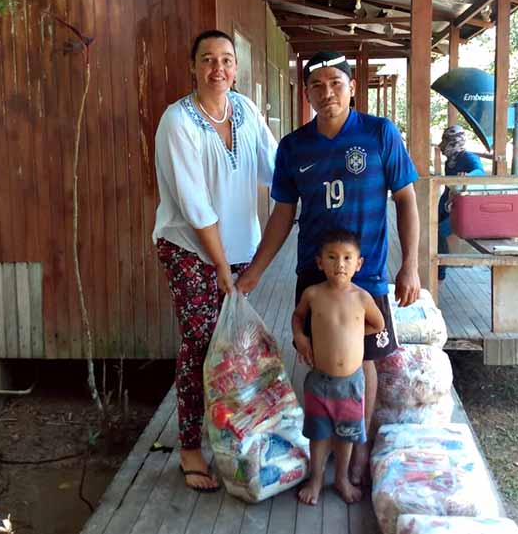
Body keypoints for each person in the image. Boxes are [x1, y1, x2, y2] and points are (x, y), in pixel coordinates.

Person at [236, 50, 421, 486]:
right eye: (316, 85)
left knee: (366, 360)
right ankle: (322, 446)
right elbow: (283, 214)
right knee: (319, 359)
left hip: (367, 271)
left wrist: (409, 265)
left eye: (336, 82)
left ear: (352, 86)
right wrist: (257, 271)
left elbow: (407, 199)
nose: (327, 92)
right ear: (306, 93)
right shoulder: (295, 146)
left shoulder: (379, 134)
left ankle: (356, 452)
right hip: (314, 272)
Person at [152, 29, 276, 492]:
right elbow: (194, 203)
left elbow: (273, 165)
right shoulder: (177, 122)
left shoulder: (244, 110)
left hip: (240, 252)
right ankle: (189, 448)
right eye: (208, 59)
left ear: (236, 69)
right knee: (201, 345)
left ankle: (232, 438)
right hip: (190, 250)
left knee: (234, 348)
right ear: (193, 66)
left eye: (226, 60)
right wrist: (222, 266)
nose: (217, 68)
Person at [293, 229, 385, 505]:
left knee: (346, 435)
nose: (340, 264)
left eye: (347, 258)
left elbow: (378, 324)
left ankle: (342, 478)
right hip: (319, 380)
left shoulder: (362, 297)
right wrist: (301, 337)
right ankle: (316, 479)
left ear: (359, 264)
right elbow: (298, 318)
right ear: (320, 262)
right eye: (332, 257)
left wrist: (355, 335)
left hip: (352, 383)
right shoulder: (312, 294)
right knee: (318, 434)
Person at [437, 124, 485, 280]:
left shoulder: (468, 157)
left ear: (455, 142)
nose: (443, 145)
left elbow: (480, 172)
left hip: (464, 208)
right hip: (448, 202)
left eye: (446, 141)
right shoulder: (450, 161)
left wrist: (469, 176)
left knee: (438, 232)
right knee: (429, 227)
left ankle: (439, 272)